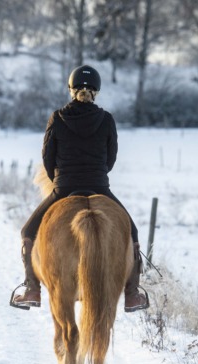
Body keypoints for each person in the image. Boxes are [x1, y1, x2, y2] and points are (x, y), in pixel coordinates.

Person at [10, 64, 150, 312]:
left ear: (71, 89)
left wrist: (60, 178)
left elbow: (47, 158)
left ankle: (32, 289)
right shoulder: (106, 119)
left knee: (28, 232)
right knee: (133, 234)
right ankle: (132, 294)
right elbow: (111, 159)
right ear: (96, 91)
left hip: (64, 188)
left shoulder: (57, 117)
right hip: (99, 187)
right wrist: (96, 175)